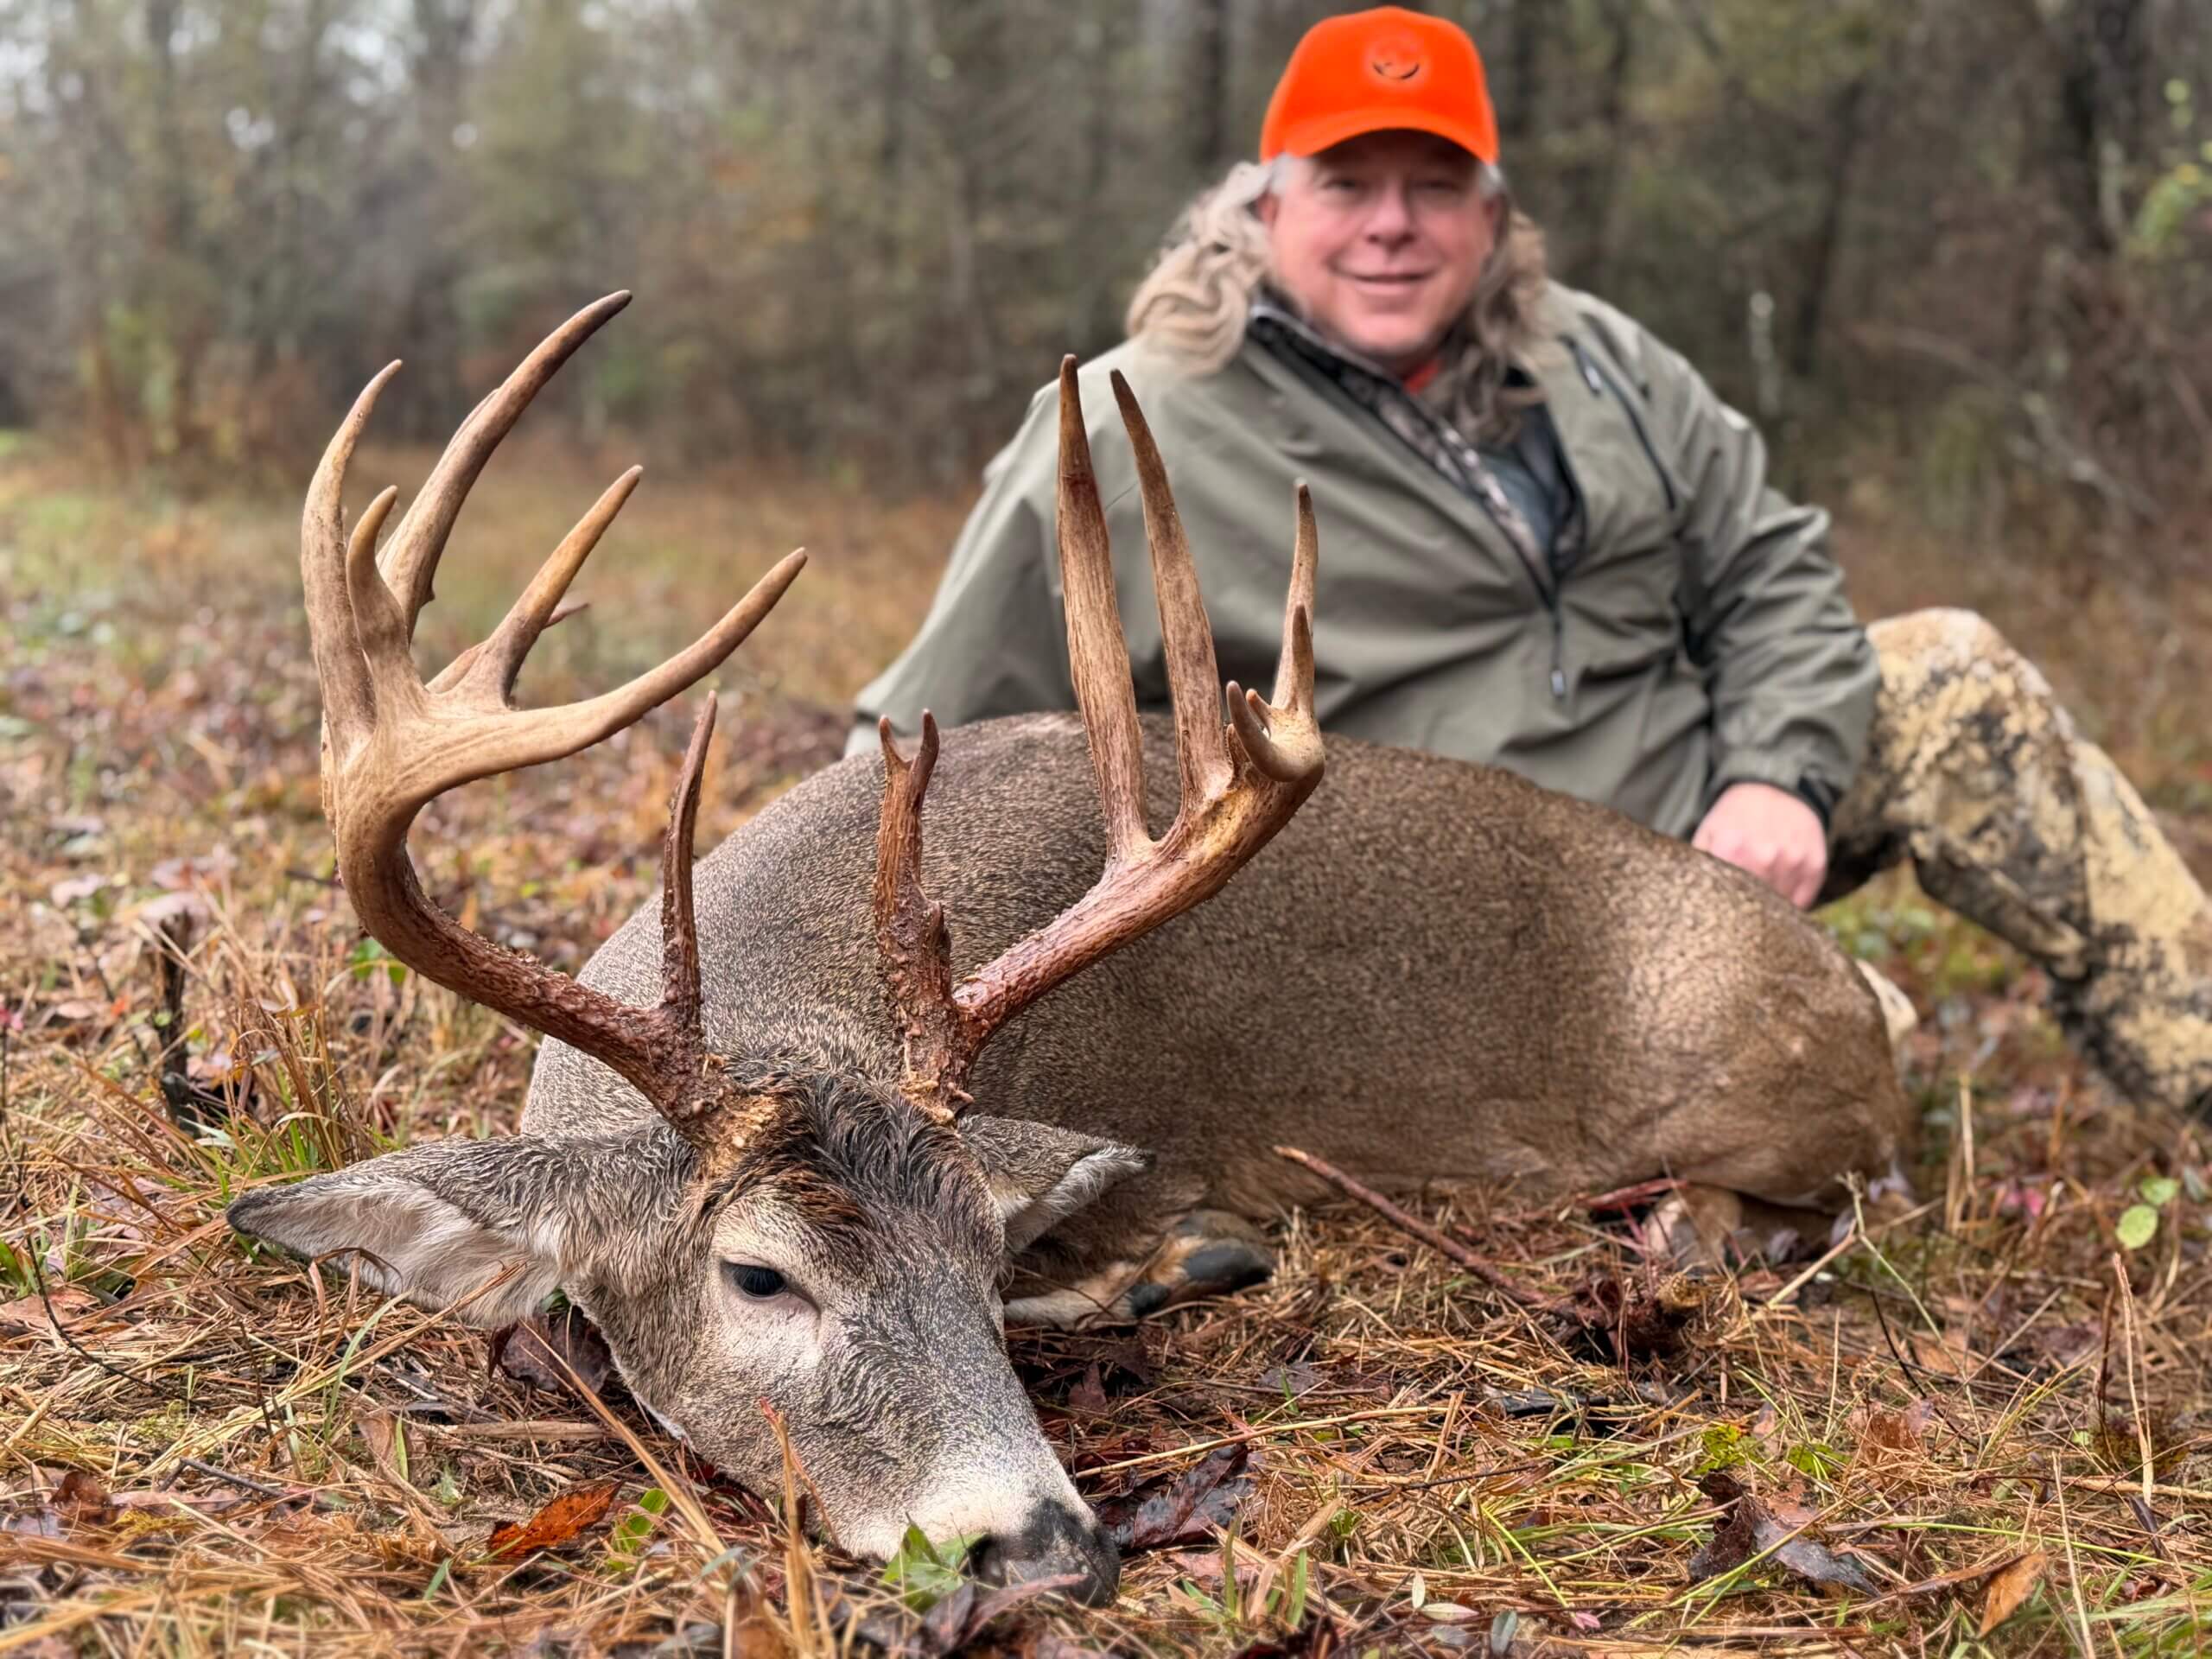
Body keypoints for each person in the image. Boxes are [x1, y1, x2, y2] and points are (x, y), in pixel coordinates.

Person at [852, 6, 2212, 1116]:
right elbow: (911, 752)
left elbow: (1775, 575)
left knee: (1956, 680)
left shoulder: (1600, 358)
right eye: (1348, 185)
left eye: (1435, 186)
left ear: (1492, 214)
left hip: (1701, 824)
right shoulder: (1129, 421)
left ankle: (2198, 1063)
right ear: (1261, 207)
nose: (1394, 224)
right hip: (1453, 930)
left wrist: (1778, 776)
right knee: (1842, 1075)